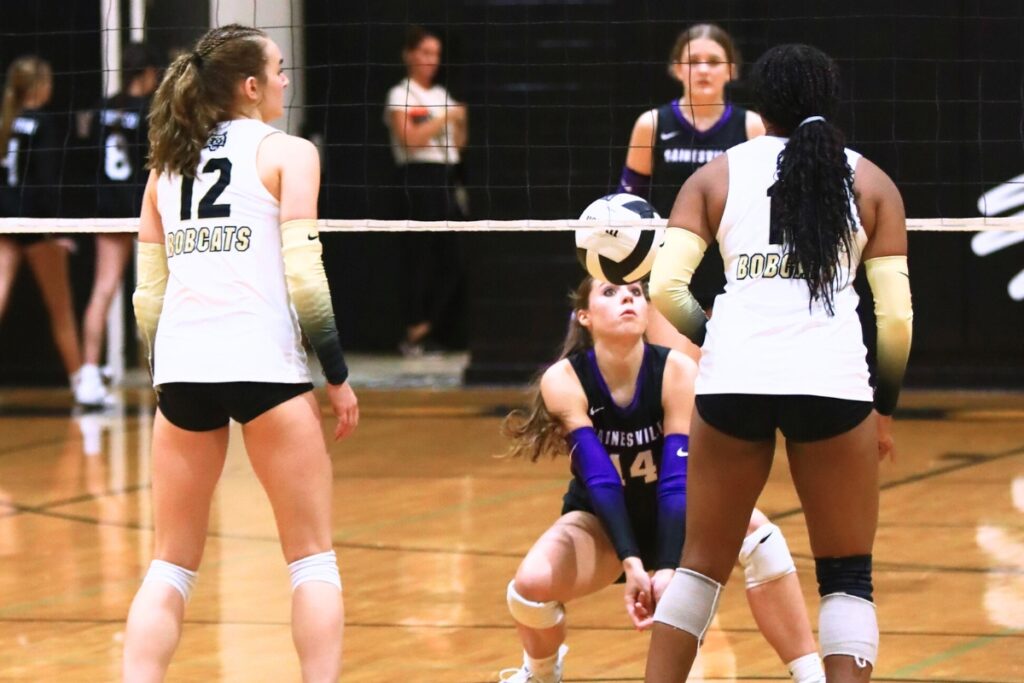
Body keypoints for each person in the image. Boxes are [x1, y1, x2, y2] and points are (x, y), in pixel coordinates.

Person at [646, 44, 913, 683]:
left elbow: (663, 289)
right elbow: (897, 319)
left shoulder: (715, 176)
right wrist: (884, 407)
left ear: (757, 109)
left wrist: (719, 339)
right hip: (834, 385)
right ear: (830, 102)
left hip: (735, 382)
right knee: (847, 574)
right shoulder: (874, 183)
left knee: (700, 565)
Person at [122, 25, 359, 682]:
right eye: (280, 70)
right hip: (265, 367)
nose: (285, 80)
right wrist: (336, 375)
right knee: (311, 558)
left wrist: (163, 374)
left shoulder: (165, 166)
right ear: (251, 87)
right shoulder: (289, 152)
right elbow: (306, 275)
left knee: (170, 563)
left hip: (184, 371)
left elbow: (147, 297)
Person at [498, 277, 825, 683]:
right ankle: (542, 672)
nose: (627, 300)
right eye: (610, 293)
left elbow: (676, 477)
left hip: (681, 516)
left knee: (761, 537)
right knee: (528, 588)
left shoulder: (675, 369)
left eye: (636, 293)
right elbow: (600, 481)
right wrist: (632, 562)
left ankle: (812, 675)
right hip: (601, 523)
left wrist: (669, 567)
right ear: (584, 316)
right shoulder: (564, 379)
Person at [620, 24, 764, 319]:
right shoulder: (652, 125)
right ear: (676, 69)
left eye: (713, 62)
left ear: (731, 70)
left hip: (731, 268)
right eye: (692, 61)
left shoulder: (751, 126)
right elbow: (628, 206)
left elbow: (764, 207)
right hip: (669, 268)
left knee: (723, 364)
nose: (702, 70)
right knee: (678, 364)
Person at [74, 43, 162, 406]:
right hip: (141, 207)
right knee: (155, 292)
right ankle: (166, 381)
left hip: (107, 205)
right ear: (148, 73)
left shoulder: (103, 108)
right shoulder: (152, 111)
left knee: (103, 288)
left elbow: (88, 155)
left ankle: (89, 377)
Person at [0, 56, 85, 396]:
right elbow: (47, 180)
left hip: (4, 216)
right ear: (39, 87)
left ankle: (82, 383)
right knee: (61, 309)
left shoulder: (7, 120)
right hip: (35, 220)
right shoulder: (44, 124)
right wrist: (58, 229)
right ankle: (82, 386)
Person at [384, 25, 468, 356]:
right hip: (417, 178)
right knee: (419, 256)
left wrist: (459, 122)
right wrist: (447, 118)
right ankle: (414, 329)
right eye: (425, 53)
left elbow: (459, 145)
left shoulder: (441, 95)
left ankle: (433, 327)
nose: (431, 60)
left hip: (446, 177)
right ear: (409, 54)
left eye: (436, 54)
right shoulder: (401, 94)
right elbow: (411, 139)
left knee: (454, 256)